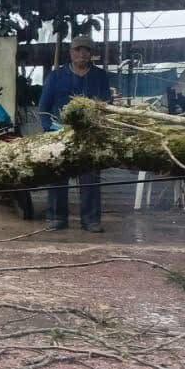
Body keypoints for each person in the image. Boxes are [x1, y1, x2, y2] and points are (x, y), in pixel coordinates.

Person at [38, 36, 112, 232]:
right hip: (59, 132)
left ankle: (91, 220)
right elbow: (44, 107)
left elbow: (106, 105)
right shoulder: (56, 76)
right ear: (71, 53)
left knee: (90, 177)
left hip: (89, 134)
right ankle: (56, 218)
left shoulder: (100, 76)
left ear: (91, 53)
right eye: (78, 50)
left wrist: (100, 129)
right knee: (57, 176)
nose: (82, 53)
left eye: (86, 50)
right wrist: (49, 129)